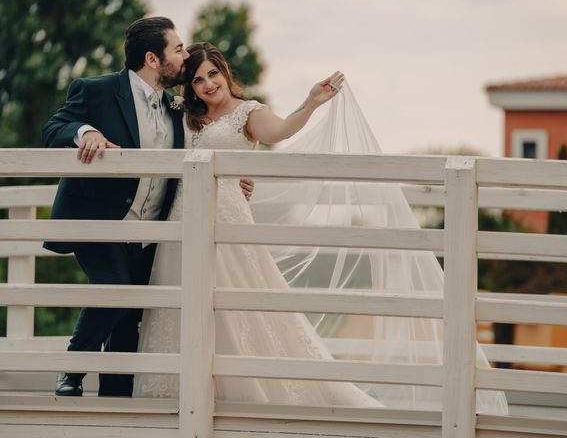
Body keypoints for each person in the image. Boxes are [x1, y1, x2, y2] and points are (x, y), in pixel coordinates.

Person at [133, 42, 508, 415]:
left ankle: (240, 393)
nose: (208, 85)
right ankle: (176, 392)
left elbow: (280, 131)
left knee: (238, 303)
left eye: (213, 74)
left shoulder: (247, 113)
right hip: (182, 220)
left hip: (225, 221)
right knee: (181, 299)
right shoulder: (185, 115)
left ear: (225, 72)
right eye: (198, 80)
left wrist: (310, 103)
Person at [41, 19, 253, 397]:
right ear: (153, 59)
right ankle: (72, 368)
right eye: (178, 49)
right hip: (101, 220)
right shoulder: (98, 90)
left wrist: (231, 182)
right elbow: (55, 126)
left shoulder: (177, 106)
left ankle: (117, 400)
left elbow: (201, 148)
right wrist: (84, 132)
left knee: (131, 319)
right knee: (116, 287)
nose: (185, 56)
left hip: (152, 228)